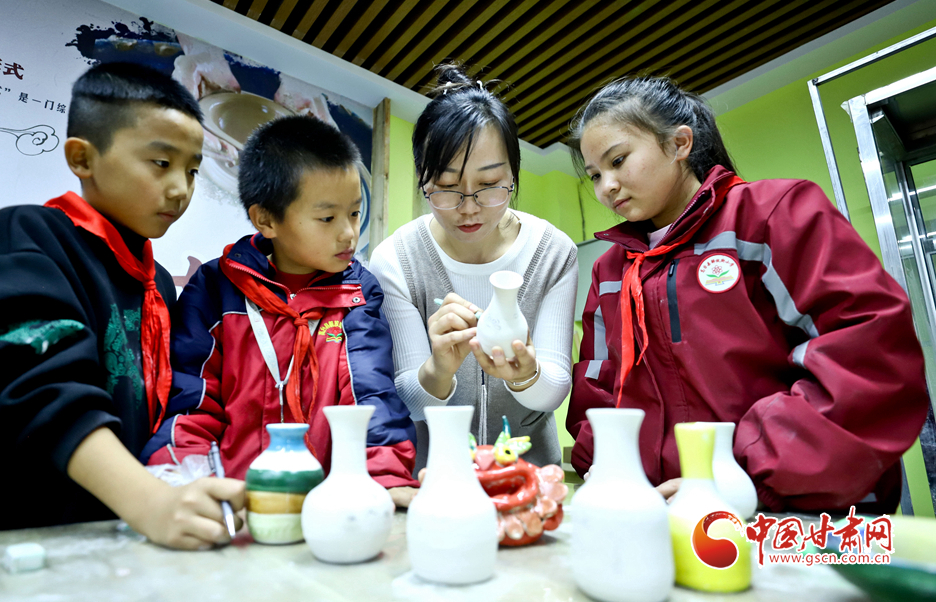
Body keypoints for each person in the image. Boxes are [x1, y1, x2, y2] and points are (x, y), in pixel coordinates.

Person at [0, 63, 245, 546]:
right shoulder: (25, 238)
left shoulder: (156, 284)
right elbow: (36, 391)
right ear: (82, 158)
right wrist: (151, 502)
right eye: (160, 162)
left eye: (192, 170)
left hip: (101, 538)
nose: (180, 188)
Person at [566, 76, 928, 513]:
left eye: (618, 160)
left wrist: (735, 476)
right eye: (595, 175)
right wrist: (608, 465)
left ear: (679, 144)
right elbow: (598, 388)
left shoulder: (773, 214)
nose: (606, 186)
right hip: (665, 509)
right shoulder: (611, 269)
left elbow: (865, 358)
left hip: (793, 503)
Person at [142, 115, 419, 506]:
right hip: (237, 504)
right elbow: (192, 400)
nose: (348, 233)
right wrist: (184, 481)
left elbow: (371, 396)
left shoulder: (358, 293)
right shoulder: (217, 289)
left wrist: (386, 479)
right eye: (327, 218)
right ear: (267, 219)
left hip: (331, 505)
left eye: (355, 213)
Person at [370, 65, 578, 474]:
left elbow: (554, 389)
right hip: (435, 477)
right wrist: (438, 369)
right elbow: (410, 402)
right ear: (423, 180)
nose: (469, 208)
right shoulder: (395, 259)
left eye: (489, 185)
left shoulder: (554, 252)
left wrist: (526, 374)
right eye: (447, 188)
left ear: (513, 174)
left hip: (530, 477)